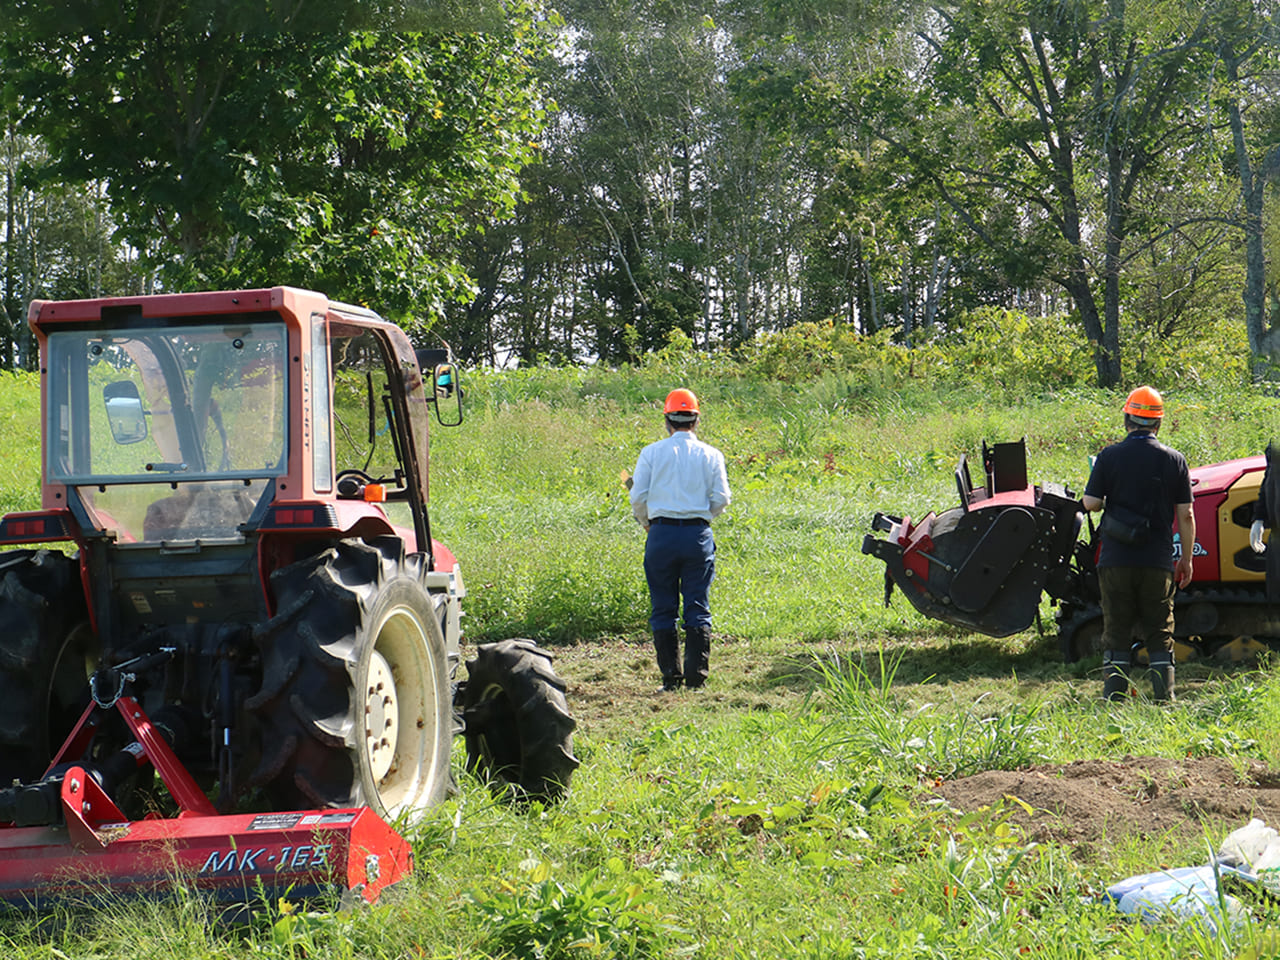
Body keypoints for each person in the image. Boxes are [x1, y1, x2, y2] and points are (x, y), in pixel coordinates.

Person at [1081, 385, 1194, 703]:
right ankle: (1163, 700)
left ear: (1127, 419)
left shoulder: (1109, 456)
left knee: (1116, 629)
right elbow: (1186, 516)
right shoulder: (1175, 460)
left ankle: (1114, 700)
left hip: (1115, 559)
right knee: (1160, 631)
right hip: (1156, 562)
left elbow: (1091, 503)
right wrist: (1186, 559)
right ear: (1158, 423)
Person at [629, 388, 731, 691]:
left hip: (660, 535)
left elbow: (638, 497)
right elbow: (722, 498)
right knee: (697, 606)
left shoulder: (651, 453)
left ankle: (670, 679)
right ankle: (697, 679)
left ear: (667, 420)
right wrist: (702, 518)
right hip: (697, 535)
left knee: (663, 608)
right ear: (696, 420)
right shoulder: (712, 455)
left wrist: (648, 523)